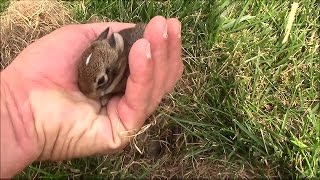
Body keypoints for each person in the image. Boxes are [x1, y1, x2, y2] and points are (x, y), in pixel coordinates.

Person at [0, 16, 183, 178]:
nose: (88, 93)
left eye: (102, 81)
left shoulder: (124, 62)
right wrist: (16, 111)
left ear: (118, 62)